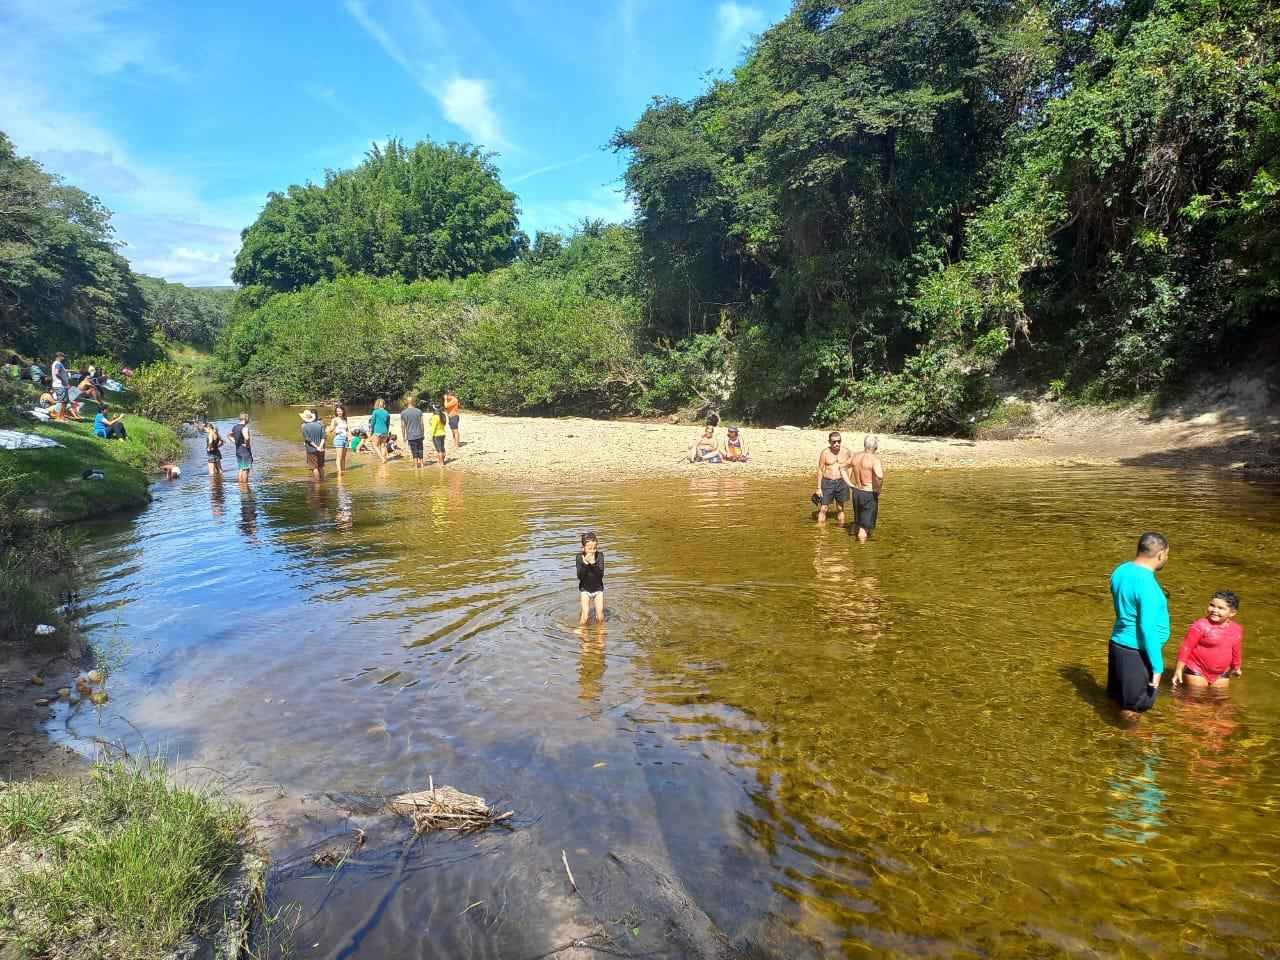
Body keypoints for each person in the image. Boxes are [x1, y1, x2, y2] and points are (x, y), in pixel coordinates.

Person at [1107, 532, 1171, 717]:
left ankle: (1111, 735)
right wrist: (1158, 667)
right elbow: (1147, 628)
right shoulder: (1148, 586)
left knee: (1116, 700)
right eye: (1166, 555)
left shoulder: (1120, 570)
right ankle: (1130, 743)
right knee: (1133, 708)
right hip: (1137, 651)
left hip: (1118, 644)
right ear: (1160, 554)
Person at [1173, 591, 1243, 690]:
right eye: (1212, 605)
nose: (1214, 610)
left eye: (1220, 608)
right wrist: (1179, 669)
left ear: (1232, 613)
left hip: (1221, 673)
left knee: (1219, 701)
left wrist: (1237, 667)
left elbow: (1236, 649)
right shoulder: (1200, 625)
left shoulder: (1236, 629)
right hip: (1197, 669)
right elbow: (1186, 647)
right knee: (1193, 700)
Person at [845, 434, 885, 542]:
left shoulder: (856, 456)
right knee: (864, 527)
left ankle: (851, 541)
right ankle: (861, 551)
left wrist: (849, 483)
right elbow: (880, 476)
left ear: (864, 445)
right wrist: (878, 489)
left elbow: (841, 467)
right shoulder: (874, 460)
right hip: (868, 493)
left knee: (858, 521)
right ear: (876, 448)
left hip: (857, 492)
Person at [815, 431, 852, 525]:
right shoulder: (825, 453)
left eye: (839, 441)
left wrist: (848, 480)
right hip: (827, 482)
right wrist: (818, 488)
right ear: (829, 442)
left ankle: (841, 529)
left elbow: (851, 466)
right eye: (834, 442)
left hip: (841, 482)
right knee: (824, 508)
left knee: (840, 508)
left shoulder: (846, 452)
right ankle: (820, 532)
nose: (836, 444)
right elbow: (820, 469)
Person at [576, 532, 605, 625]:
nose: (592, 551)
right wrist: (584, 563)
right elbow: (580, 576)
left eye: (594, 548)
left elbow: (600, 575)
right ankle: (583, 634)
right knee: (585, 616)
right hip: (585, 590)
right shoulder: (579, 557)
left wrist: (593, 563)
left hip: (598, 590)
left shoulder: (600, 556)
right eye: (589, 549)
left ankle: (600, 634)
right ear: (583, 548)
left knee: (599, 616)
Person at [399, 396, 426, 468]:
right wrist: (423, 433)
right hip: (419, 434)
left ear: (407, 402)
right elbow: (422, 423)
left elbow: (403, 426)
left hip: (410, 435)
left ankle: (416, 465)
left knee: (414, 450)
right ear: (414, 402)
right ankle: (422, 464)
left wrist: (404, 436)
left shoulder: (403, 413)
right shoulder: (419, 411)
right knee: (420, 449)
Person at [301, 408, 326, 481]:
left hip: (311, 449)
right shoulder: (320, 425)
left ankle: (317, 483)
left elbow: (308, 440)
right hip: (321, 449)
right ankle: (323, 480)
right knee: (321, 466)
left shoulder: (304, 427)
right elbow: (324, 437)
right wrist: (320, 446)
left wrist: (316, 447)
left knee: (314, 468)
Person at [229, 412, 253, 484]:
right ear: (246, 419)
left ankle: (241, 485)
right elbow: (247, 437)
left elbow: (229, 435)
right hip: (245, 452)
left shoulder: (235, 427)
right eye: (248, 418)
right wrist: (247, 444)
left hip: (238, 451)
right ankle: (245, 485)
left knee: (241, 469)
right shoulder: (244, 428)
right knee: (245, 469)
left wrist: (236, 442)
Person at [330, 404, 351, 477]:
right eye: (337, 411)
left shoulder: (345, 419)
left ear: (343, 411)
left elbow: (348, 429)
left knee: (344, 457)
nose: (339, 412)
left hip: (345, 439)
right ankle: (339, 472)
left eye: (340, 411)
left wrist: (349, 437)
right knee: (339, 456)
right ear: (336, 412)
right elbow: (331, 430)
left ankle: (343, 470)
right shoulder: (334, 419)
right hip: (338, 438)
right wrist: (334, 426)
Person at [50, 352, 71, 422]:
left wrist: (71, 370)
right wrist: (63, 381)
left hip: (60, 385)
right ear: (59, 356)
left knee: (64, 402)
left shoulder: (57, 363)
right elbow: (56, 373)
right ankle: (59, 418)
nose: (64, 357)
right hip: (60, 385)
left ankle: (61, 417)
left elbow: (61, 371)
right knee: (62, 402)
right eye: (63, 356)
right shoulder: (58, 363)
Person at [369, 399, 391, 463]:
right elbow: (388, 423)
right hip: (385, 431)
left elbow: (373, 422)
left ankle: (382, 459)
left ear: (377, 404)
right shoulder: (387, 412)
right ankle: (384, 459)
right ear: (384, 405)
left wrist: (371, 431)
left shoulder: (375, 412)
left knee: (375, 445)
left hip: (377, 431)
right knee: (383, 445)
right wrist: (387, 431)